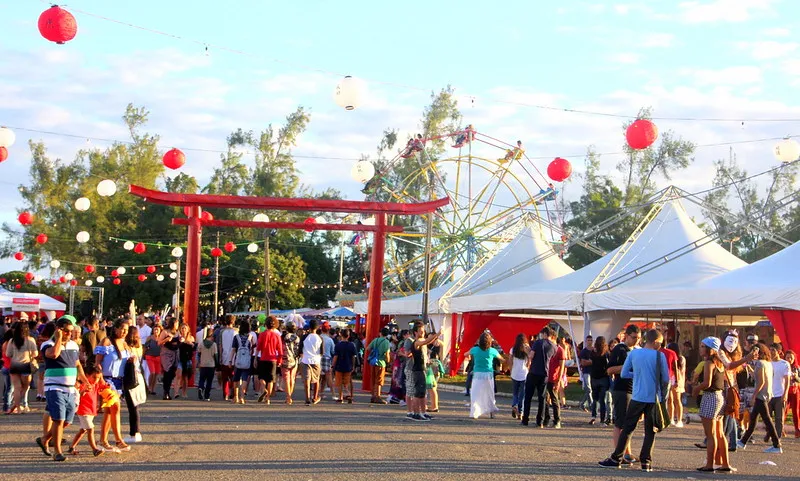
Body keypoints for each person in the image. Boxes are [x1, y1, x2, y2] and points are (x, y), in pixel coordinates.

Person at [599, 329, 669, 472]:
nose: (661, 346)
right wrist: (663, 398)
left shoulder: (634, 353)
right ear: (655, 342)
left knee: (628, 428)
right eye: (660, 343)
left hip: (637, 396)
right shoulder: (659, 356)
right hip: (653, 398)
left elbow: (624, 373)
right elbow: (666, 380)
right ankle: (646, 461)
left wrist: (637, 374)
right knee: (650, 431)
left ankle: (616, 458)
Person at [37, 316, 89, 462]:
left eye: (70, 331)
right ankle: (57, 452)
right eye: (66, 331)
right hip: (54, 387)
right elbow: (53, 354)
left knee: (67, 420)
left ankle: (44, 439)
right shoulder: (48, 344)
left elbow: (77, 364)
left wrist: (84, 380)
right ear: (58, 330)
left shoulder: (73, 345)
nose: (69, 334)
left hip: (70, 388)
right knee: (59, 419)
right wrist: (59, 339)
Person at [692, 337, 735, 473]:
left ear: (710, 349)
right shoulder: (719, 362)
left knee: (710, 435)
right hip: (720, 397)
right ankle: (725, 463)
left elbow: (707, 383)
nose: (700, 348)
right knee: (720, 433)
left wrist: (696, 389)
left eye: (703, 346)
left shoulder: (709, 363)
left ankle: (710, 464)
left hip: (710, 397)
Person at [94, 319, 132, 453]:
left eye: (126, 330)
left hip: (119, 381)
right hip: (107, 380)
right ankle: (118, 439)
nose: (124, 332)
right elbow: (97, 362)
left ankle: (103, 440)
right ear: (115, 328)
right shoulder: (106, 342)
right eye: (122, 329)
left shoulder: (125, 344)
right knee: (115, 408)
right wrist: (100, 380)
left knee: (109, 412)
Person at [737, 342, 783, 453]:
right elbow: (759, 377)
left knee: (767, 419)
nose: (753, 354)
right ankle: (743, 441)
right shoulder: (767, 363)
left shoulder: (760, 364)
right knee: (753, 419)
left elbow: (761, 382)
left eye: (755, 351)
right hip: (766, 394)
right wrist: (750, 369)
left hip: (761, 395)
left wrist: (753, 396)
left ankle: (777, 445)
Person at [606, 325, 641, 466]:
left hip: (634, 390)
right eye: (634, 338)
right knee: (620, 423)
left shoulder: (636, 350)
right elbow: (609, 370)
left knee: (629, 424)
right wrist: (627, 365)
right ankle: (618, 453)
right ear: (626, 336)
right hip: (622, 389)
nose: (636, 341)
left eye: (639, 338)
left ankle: (627, 452)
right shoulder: (619, 349)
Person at [68, 363, 107, 457]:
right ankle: (94, 449)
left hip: (91, 410)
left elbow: (103, 385)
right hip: (83, 410)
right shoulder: (82, 385)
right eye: (94, 377)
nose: (96, 380)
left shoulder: (95, 384)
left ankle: (72, 446)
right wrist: (83, 391)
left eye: (98, 378)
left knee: (83, 430)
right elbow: (77, 397)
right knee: (90, 429)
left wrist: (100, 376)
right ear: (87, 375)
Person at [521, 326, 556, 427]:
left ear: (544, 334)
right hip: (545, 373)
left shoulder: (538, 343)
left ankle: (525, 419)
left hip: (534, 372)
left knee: (528, 397)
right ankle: (539, 421)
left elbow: (531, 356)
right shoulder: (554, 346)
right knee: (542, 398)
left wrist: (527, 351)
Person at [406, 322, 440, 421]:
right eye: (421, 331)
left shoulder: (422, 341)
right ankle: (416, 413)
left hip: (423, 369)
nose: (423, 333)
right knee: (418, 393)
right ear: (415, 332)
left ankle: (423, 412)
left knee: (423, 394)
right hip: (418, 370)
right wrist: (437, 334)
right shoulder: (416, 342)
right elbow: (426, 342)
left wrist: (436, 337)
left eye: (424, 331)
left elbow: (428, 341)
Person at [5, 321, 38, 414]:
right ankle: (17, 406)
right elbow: (35, 354)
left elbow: (8, 354)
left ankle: (17, 407)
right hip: (25, 365)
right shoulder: (30, 340)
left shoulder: (12, 340)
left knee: (16, 388)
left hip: (14, 366)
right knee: (25, 387)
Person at [255, 316, 283, 404]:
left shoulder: (262, 334)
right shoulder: (277, 335)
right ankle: (268, 399)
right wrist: (280, 360)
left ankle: (263, 389)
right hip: (273, 359)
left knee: (262, 378)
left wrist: (255, 358)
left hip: (263, 358)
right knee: (271, 380)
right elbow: (280, 350)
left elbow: (258, 347)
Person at [587, 336, 611, 425]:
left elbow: (591, 361)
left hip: (594, 377)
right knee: (603, 400)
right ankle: (602, 419)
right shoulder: (606, 353)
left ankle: (593, 416)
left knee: (595, 399)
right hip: (604, 377)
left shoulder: (593, 352)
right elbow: (608, 364)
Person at [230, 320, 255, 405]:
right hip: (247, 360)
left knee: (236, 379)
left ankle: (235, 397)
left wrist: (230, 360)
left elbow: (233, 350)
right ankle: (242, 397)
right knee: (245, 379)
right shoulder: (251, 337)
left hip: (238, 360)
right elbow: (253, 348)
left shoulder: (236, 337)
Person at [769, 345, 791, 439]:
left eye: (773, 350)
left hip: (779, 395)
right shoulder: (767, 363)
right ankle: (769, 434)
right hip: (768, 395)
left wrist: (785, 393)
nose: (771, 352)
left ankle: (777, 439)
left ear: (779, 351)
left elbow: (787, 380)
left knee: (779, 418)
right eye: (770, 350)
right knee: (767, 418)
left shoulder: (784, 364)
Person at [300, 319, 323, 405]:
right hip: (316, 360)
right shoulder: (320, 338)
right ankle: (315, 397)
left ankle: (307, 399)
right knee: (316, 380)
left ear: (309, 327)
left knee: (307, 380)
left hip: (305, 360)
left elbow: (300, 350)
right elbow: (322, 351)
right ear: (317, 328)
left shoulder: (304, 337)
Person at [366, 327, 391, 404]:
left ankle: (373, 396)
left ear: (380, 333)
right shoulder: (386, 342)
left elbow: (367, 348)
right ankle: (378, 396)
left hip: (373, 362)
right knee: (379, 380)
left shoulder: (375, 340)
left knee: (373, 379)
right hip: (381, 362)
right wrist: (388, 361)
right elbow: (387, 354)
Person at [157, 317, 180, 400]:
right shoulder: (165, 332)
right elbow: (159, 342)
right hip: (166, 354)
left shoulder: (177, 332)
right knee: (168, 372)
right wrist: (167, 339)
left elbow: (179, 340)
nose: (177, 325)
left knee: (172, 373)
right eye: (176, 323)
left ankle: (168, 389)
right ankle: (166, 392)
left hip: (175, 353)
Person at [332, 329, 357, 403]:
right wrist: (353, 365)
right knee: (347, 382)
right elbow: (353, 357)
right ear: (348, 336)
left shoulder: (338, 345)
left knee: (339, 382)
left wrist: (333, 365)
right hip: (348, 366)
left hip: (339, 366)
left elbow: (335, 356)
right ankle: (349, 394)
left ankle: (340, 397)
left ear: (341, 335)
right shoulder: (352, 345)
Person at [508, 333, 530, 419]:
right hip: (524, 373)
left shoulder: (513, 349)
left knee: (515, 392)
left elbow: (510, 360)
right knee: (522, 394)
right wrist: (528, 367)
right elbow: (529, 361)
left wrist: (511, 369)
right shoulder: (527, 350)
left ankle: (514, 405)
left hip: (515, 373)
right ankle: (520, 412)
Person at [666, 342, 686, 427]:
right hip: (670, 378)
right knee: (670, 400)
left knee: (677, 400)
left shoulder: (681, 358)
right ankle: (671, 418)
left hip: (678, 380)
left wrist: (677, 381)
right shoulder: (669, 357)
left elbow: (679, 370)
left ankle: (679, 419)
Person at [281, 322, 301, 405]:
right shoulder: (297, 338)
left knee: (286, 379)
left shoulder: (283, 337)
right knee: (292, 379)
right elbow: (298, 350)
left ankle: (288, 397)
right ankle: (289, 396)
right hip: (294, 360)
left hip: (284, 359)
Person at [196, 328, 217, 401]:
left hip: (203, 364)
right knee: (209, 381)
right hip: (211, 364)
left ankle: (200, 388)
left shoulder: (201, 343)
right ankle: (207, 395)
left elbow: (198, 353)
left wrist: (198, 362)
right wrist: (217, 364)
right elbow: (215, 355)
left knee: (202, 379)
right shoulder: (214, 345)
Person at [176, 323, 196, 399]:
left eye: (185, 328)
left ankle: (184, 392)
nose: (183, 330)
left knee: (185, 377)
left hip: (187, 359)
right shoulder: (178, 337)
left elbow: (193, 348)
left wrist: (188, 342)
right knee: (178, 375)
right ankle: (176, 392)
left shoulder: (191, 338)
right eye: (182, 328)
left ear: (188, 330)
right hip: (179, 358)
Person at [785, 350, 800, 438]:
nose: (789, 359)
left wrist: (796, 377)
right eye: (787, 357)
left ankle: (797, 430)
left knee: (796, 411)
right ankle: (780, 429)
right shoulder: (783, 366)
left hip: (795, 391)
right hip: (785, 392)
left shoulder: (797, 367)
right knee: (784, 411)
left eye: (791, 358)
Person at [143, 325, 162, 395]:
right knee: (152, 372)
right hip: (150, 356)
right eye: (155, 330)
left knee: (156, 374)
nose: (156, 331)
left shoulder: (161, 338)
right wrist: (143, 355)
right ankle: (149, 387)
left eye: (158, 330)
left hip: (158, 357)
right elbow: (145, 347)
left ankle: (153, 388)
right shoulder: (150, 338)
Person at [320, 322, 336, 399]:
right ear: (328, 330)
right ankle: (333, 394)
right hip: (327, 358)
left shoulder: (318, 337)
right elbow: (333, 351)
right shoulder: (330, 340)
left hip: (318, 358)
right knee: (329, 378)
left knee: (320, 378)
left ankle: (319, 393)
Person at [579, 335, 594, 412]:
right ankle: (591, 405)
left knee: (590, 390)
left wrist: (589, 361)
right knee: (588, 388)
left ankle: (582, 403)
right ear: (585, 341)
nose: (590, 342)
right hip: (586, 372)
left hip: (593, 372)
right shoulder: (583, 351)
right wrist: (591, 361)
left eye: (591, 340)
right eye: (588, 340)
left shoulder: (594, 351)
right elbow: (583, 363)